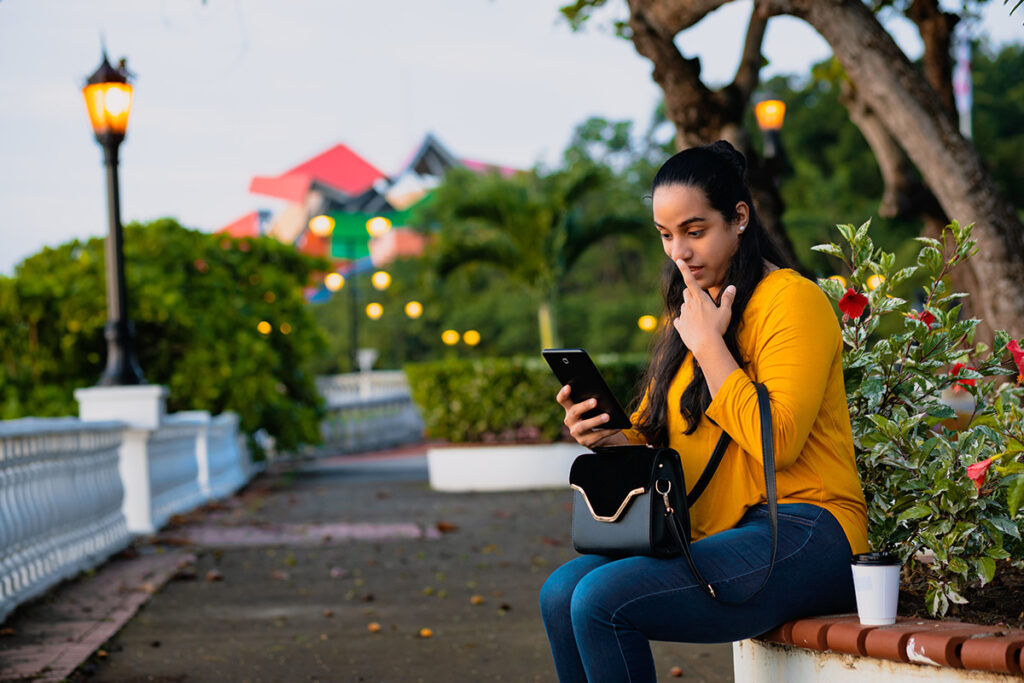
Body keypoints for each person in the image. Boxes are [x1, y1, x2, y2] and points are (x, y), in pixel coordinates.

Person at [539, 140, 869, 683]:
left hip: (809, 529)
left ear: (739, 218)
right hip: (718, 533)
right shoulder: (689, 313)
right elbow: (660, 447)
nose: (679, 252)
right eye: (666, 236)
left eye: (695, 231)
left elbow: (777, 443)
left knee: (601, 600)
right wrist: (603, 437)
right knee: (560, 593)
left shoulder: (792, 300)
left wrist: (711, 348)